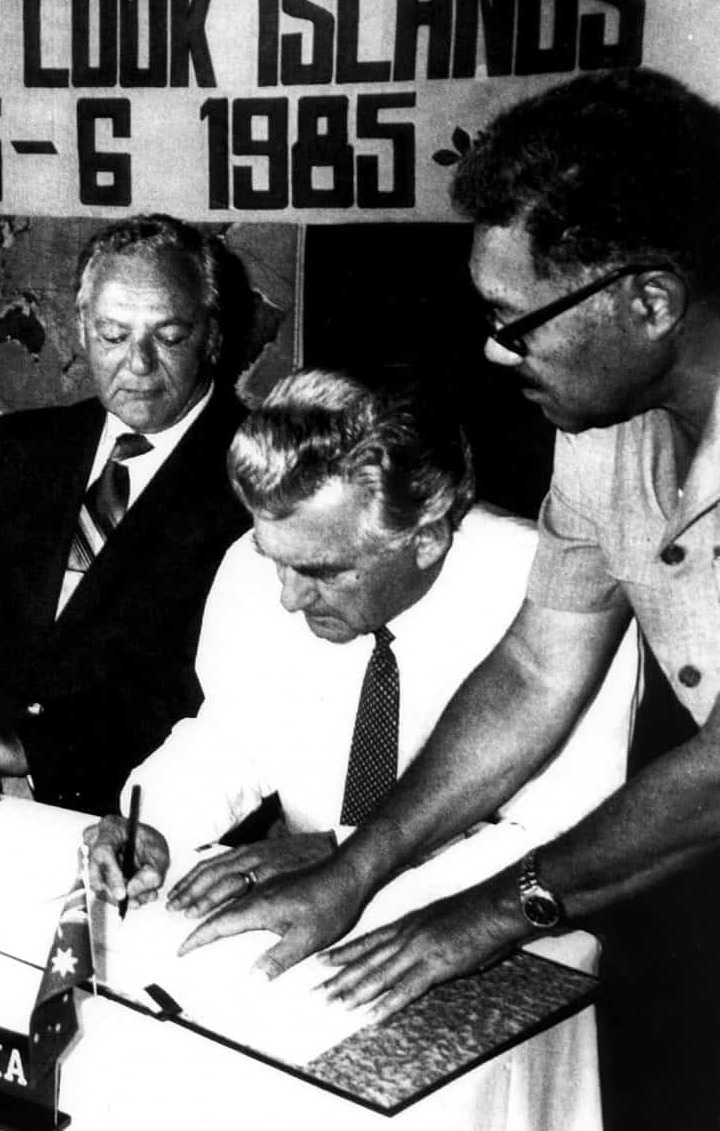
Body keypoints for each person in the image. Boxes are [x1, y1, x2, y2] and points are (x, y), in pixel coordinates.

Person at [180, 69, 720, 1130]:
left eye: (516, 322)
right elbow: (534, 669)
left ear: (649, 301)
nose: (491, 349)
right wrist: (355, 868)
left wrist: (481, 916)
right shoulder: (600, 434)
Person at [86, 367, 638, 936]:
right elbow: (231, 736)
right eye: (273, 557)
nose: (287, 595)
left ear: (425, 540)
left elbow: (559, 834)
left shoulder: (556, 598)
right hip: (306, 901)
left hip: (503, 930)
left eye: (322, 572)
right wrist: (153, 822)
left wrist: (346, 859)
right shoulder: (259, 565)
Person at [0, 214, 251, 813]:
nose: (137, 362)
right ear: (80, 329)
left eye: (170, 335)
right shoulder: (22, 446)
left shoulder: (254, 477)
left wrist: (31, 749)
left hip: (135, 814)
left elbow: (211, 701)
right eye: (112, 334)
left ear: (212, 334)